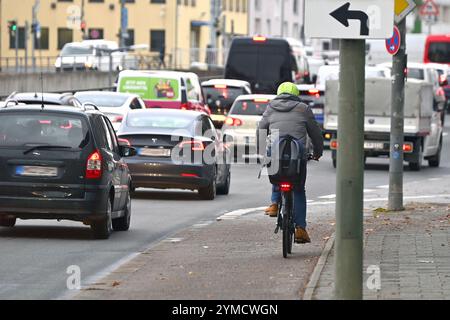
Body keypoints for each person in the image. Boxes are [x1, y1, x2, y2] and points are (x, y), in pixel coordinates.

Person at [258, 82, 323, 244]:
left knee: (275, 164)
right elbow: (315, 134)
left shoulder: (271, 107)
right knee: (299, 190)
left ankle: (274, 203)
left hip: (276, 154)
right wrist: (317, 152)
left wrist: (261, 152)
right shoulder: (303, 109)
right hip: (298, 156)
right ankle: (300, 228)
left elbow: (261, 130)